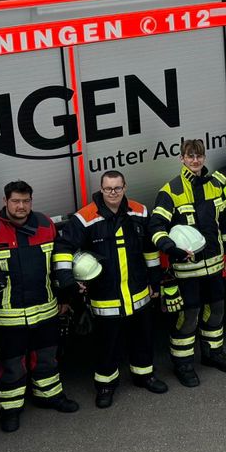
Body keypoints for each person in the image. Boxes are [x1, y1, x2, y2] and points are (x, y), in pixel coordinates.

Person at [0, 180, 75, 431]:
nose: (21, 206)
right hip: (6, 317)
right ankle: (10, 408)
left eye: (26, 201)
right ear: (5, 202)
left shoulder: (46, 225)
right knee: (11, 365)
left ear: (31, 202)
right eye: (15, 201)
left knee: (47, 358)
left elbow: (59, 262)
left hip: (46, 309)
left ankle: (50, 396)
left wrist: (65, 299)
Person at [58, 171, 168, 408]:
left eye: (117, 188)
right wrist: (67, 281)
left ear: (125, 187)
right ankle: (105, 386)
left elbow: (150, 250)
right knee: (106, 345)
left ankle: (144, 375)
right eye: (108, 189)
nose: (113, 193)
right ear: (101, 188)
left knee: (143, 338)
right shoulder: (85, 218)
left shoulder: (139, 211)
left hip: (138, 293)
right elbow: (64, 249)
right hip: (105, 297)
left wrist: (155, 281)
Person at [151, 138, 226, 387]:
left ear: (204, 158)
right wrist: (171, 249)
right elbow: (156, 227)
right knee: (188, 316)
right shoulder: (171, 191)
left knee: (217, 310)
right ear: (181, 158)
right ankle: (183, 363)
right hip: (186, 269)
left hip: (213, 265)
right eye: (190, 156)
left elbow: (225, 223)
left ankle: (213, 354)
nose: (195, 160)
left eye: (199, 156)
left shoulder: (215, 186)